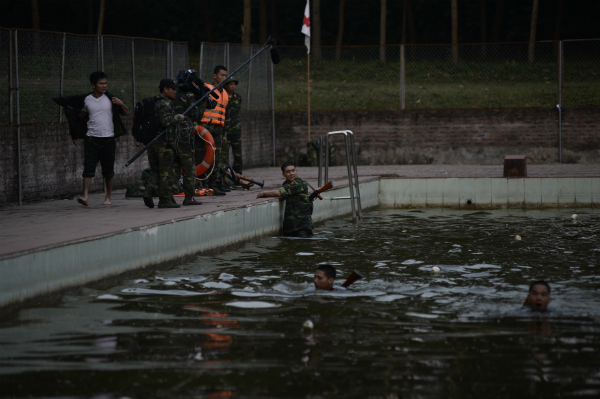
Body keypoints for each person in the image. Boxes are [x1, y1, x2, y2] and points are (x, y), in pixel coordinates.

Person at [75, 71, 129, 206]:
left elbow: (127, 112)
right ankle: (85, 196)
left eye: (105, 83)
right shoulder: (87, 100)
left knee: (108, 171)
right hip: (91, 139)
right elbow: (82, 114)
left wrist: (121, 103)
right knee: (88, 169)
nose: (104, 86)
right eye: (101, 83)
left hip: (108, 139)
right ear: (93, 85)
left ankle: (108, 197)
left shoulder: (111, 99)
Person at [143, 79, 185, 209]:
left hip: (153, 141)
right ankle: (165, 199)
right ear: (165, 90)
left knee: (156, 170)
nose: (175, 91)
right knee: (166, 171)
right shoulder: (163, 104)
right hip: (162, 143)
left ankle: (148, 191)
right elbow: (166, 122)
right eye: (173, 89)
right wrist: (179, 117)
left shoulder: (157, 101)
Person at [196, 65, 229, 195]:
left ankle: (213, 185)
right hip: (205, 127)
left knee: (217, 158)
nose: (224, 78)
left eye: (226, 75)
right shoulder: (207, 88)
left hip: (218, 130)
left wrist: (225, 133)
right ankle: (198, 184)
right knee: (200, 157)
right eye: (222, 75)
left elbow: (225, 115)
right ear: (215, 76)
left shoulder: (225, 94)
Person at [256, 162, 314, 237]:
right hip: (291, 227)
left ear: (296, 171)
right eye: (288, 171)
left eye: (293, 170)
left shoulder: (300, 183)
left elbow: (279, 193)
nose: (291, 173)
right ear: (283, 174)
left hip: (302, 228)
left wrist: (263, 193)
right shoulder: (287, 183)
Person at [171, 70, 202, 206]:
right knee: (189, 168)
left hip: (172, 135)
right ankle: (189, 197)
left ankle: (169, 196)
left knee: (174, 167)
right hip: (185, 136)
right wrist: (202, 106)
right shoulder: (189, 95)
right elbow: (195, 114)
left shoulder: (174, 93)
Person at [222, 78, 243, 183]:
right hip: (226, 130)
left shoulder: (237, 97)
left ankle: (238, 174)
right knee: (224, 154)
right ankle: (225, 175)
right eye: (231, 84)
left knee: (238, 154)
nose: (233, 86)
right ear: (226, 85)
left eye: (234, 84)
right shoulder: (223, 96)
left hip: (236, 130)